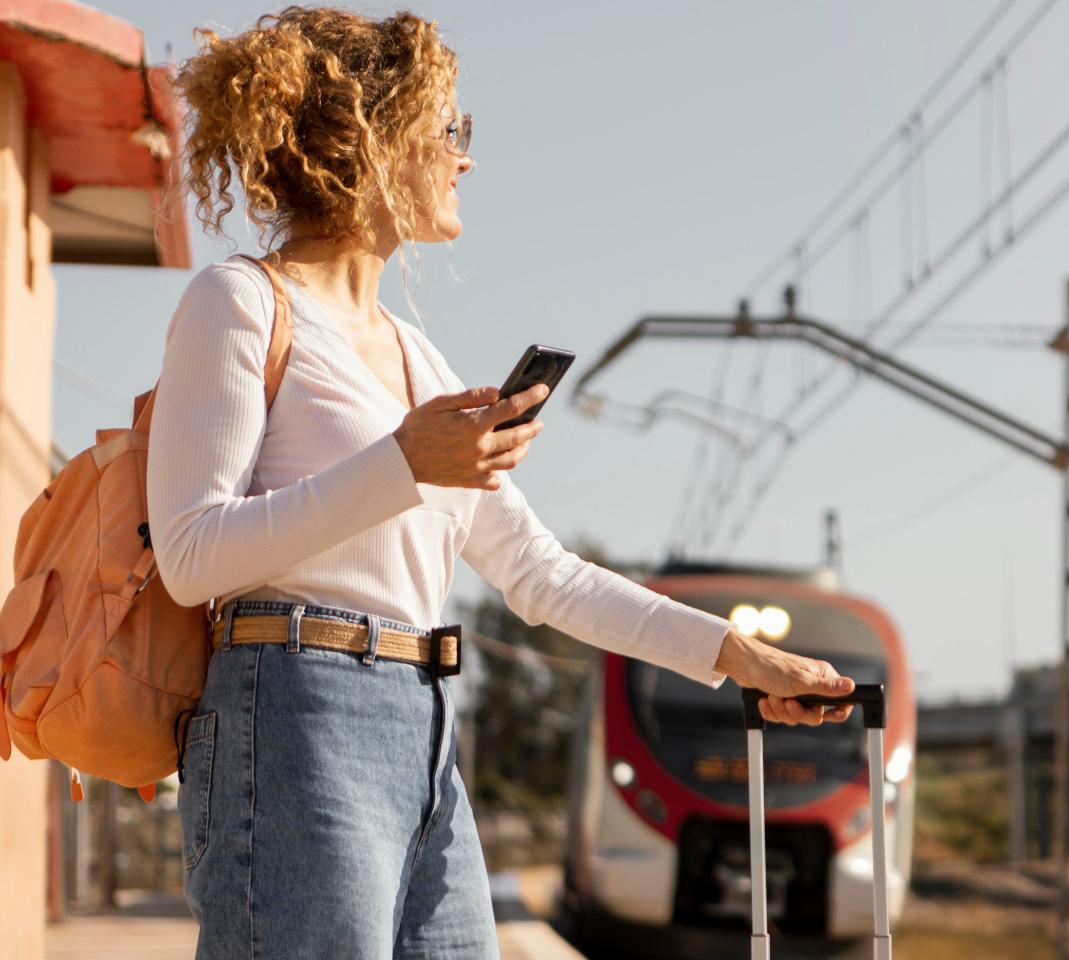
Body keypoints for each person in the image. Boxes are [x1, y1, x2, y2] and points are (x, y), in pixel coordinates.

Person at [148, 7, 853, 958]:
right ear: (372, 137)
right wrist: (404, 464)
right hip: (290, 712)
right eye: (450, 131)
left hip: (423, 722)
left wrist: (737, 655)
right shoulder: (238, 304)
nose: (464, 158)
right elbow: (192, 555)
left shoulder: (420, 363)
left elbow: (542, 575)